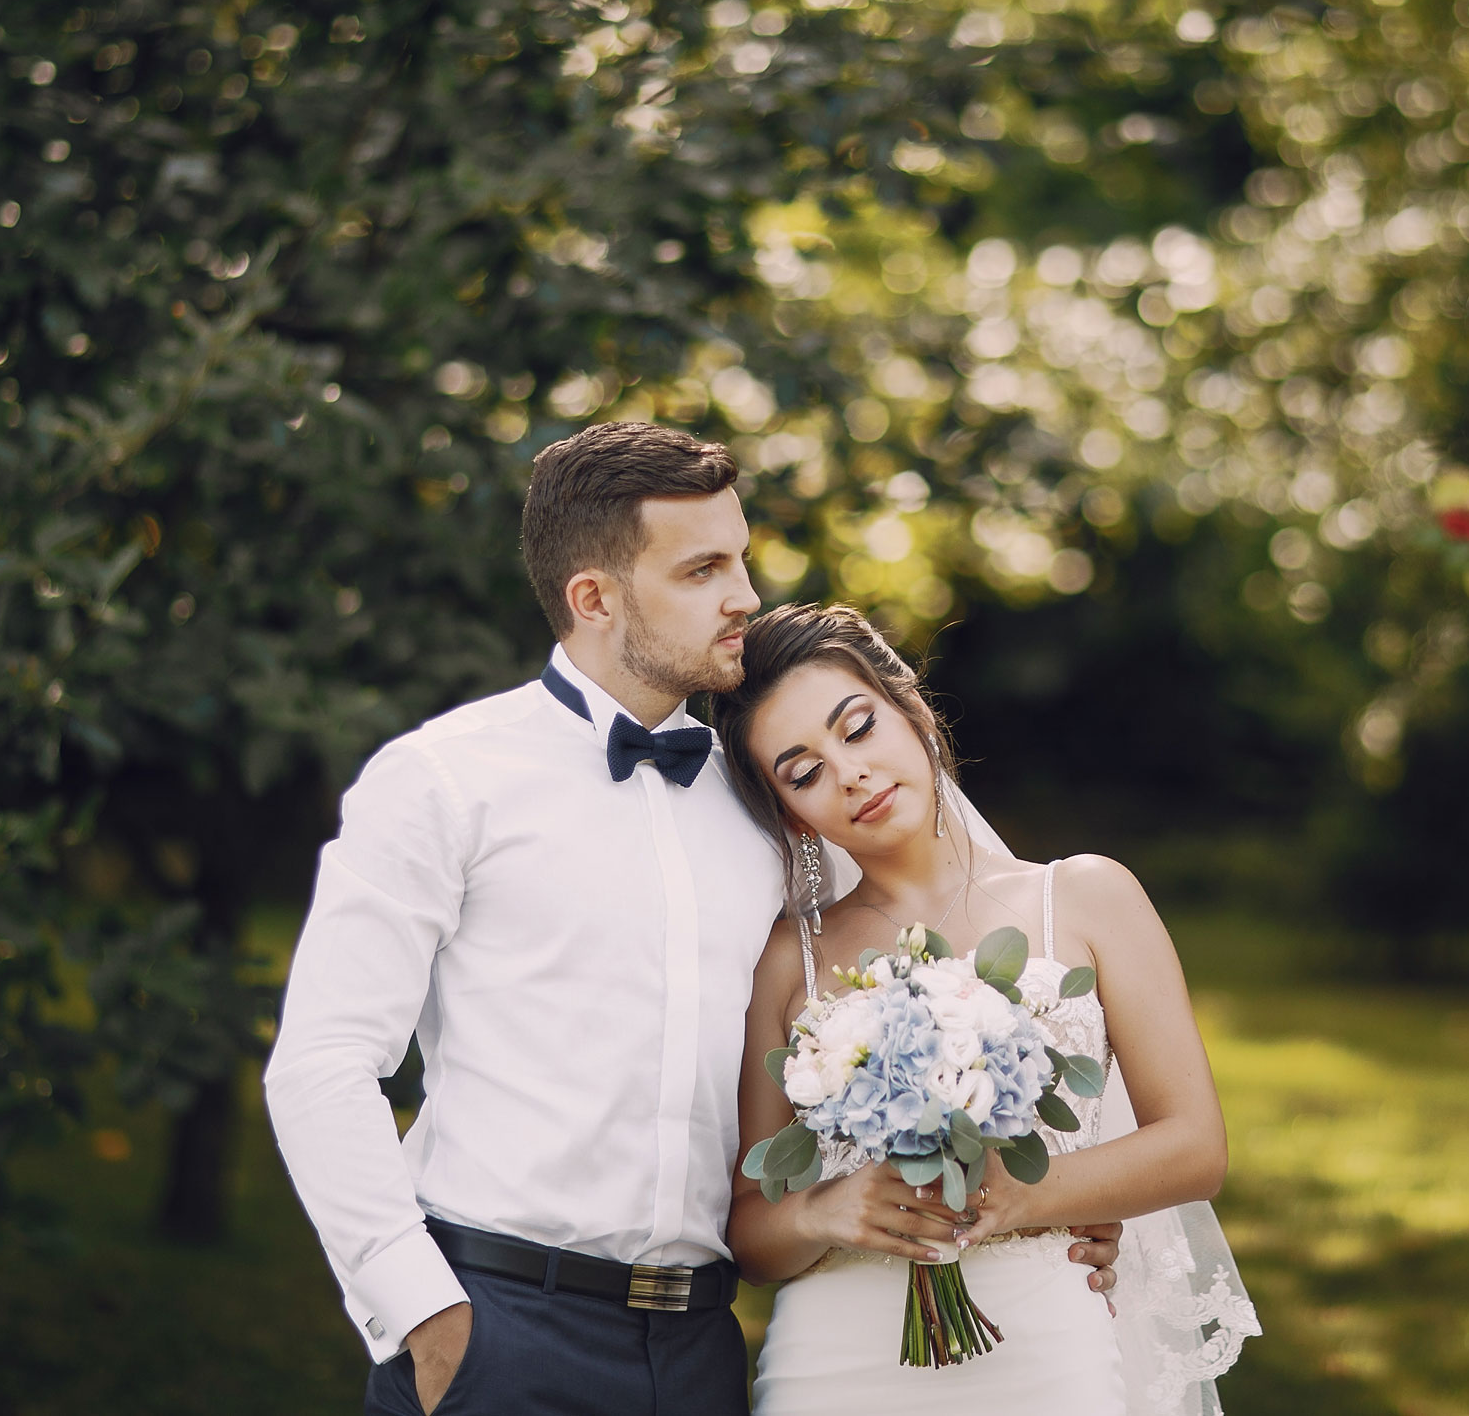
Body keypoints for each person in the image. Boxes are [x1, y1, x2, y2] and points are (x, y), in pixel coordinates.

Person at [263, 422, 1121, 1416]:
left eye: (741, 558)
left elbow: (966, 947)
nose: (745, 595)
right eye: (704, 567)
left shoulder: (779, 798)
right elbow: (321, 1060)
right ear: (594, 597)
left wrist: (1061, 1188)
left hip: (701, 1347)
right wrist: (418, 1310)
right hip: (496, 1328)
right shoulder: (443, 782)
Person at [711, 603, 1258, 1415]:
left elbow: (1194, 1146)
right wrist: (828, 1208)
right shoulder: (790, 956)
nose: (849, 773)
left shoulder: (1083, 898)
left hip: (1045, 1343)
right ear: (793, 813)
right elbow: (752, 1233)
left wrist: (1025, 1193)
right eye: (804, 771)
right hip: (833, 1357)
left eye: (857, 728)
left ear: (914, 710)